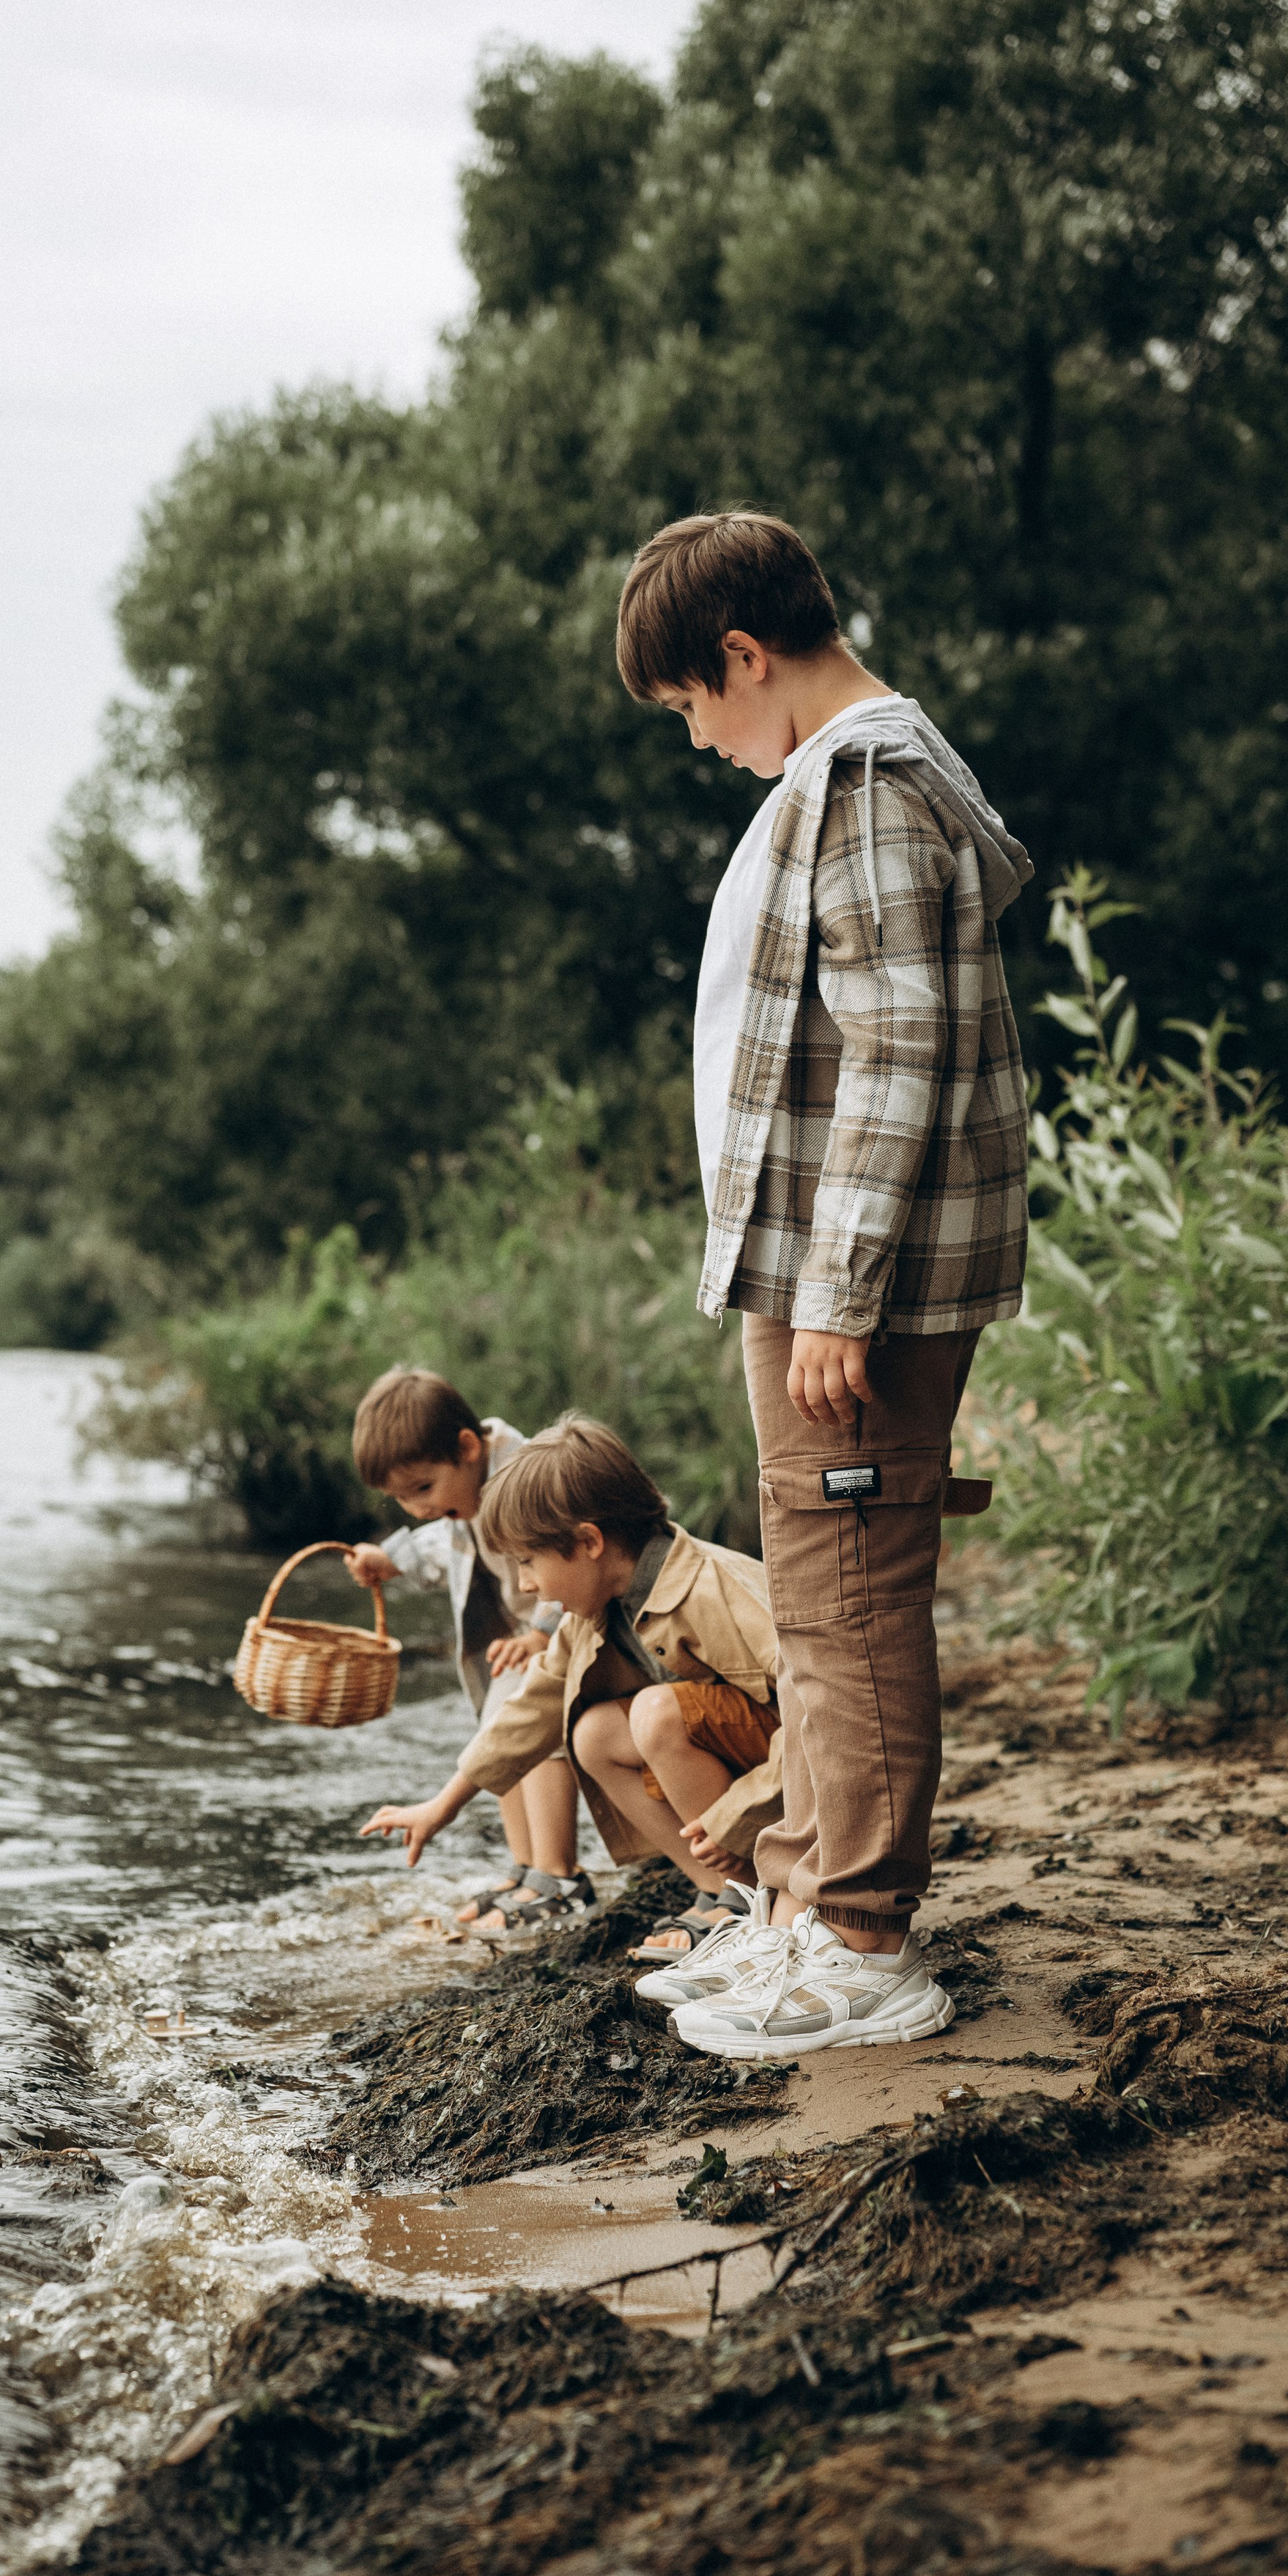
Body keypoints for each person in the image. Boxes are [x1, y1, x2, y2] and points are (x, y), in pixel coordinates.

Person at [612, 509, 1031, 2057]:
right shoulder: (840, 774)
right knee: (814, 1587)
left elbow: (894, 1051)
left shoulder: (857, 784)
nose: (700, 740)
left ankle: (860, 1940)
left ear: (742, 655)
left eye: (691, 709)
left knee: (846, 1600)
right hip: (811, 1263)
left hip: (850, 1275)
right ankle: (797, 1901)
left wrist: (841, 1294)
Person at [360, 1413, 785, 1961]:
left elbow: (822, 1715)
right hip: (756, 1770)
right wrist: (442, 1806)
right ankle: (720, 1888)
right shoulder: (598, 1610)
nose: (525, 1585)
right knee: (592, 1734)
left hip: (804, 1776)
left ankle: (753, 1889)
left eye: (528, 1561)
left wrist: (737, 1816)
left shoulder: (710, 1589)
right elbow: (529, 1710)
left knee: (656, 1713)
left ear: (588, 1541)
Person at [346, 1366, 583, 1933]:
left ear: (469, 1448)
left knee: (533, 1727)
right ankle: (528, 1867)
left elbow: (572, 1546)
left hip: (568, 1629)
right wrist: (393, 1556)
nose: (417, 1507)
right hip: (519, 1640)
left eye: (423, 1489)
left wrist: (542, 1633)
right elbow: (447, 1543)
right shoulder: (462, 1490)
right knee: (495, 1726)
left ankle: (561, 1873)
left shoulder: (527, 1473)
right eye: (401, 1499)